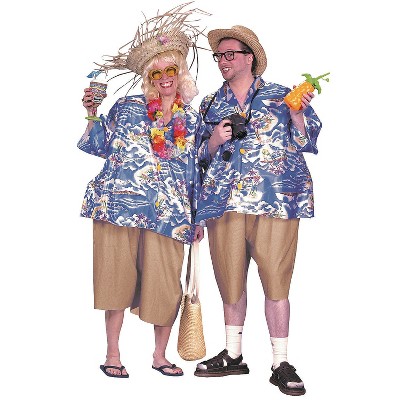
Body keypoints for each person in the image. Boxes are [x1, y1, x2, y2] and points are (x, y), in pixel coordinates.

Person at [78, 4, 207, 378]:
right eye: (157, 72)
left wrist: (199, 217)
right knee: (115, 280)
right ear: (149, 77)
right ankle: (113, 354)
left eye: (171, 71)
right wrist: (92, 113)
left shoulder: (193, 120)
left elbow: (198, 170)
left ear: (180, 74)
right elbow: (99, 146)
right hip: (118, 206)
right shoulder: (127, 107)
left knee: (166, 285)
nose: (165, 78)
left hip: (171, 214)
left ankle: (160, 356)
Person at [194, 25, 322, 396]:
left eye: (229, 54)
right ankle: (233, 355)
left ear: (249, 57)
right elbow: (195, 157)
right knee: (229, 279)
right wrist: (213, 140)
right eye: (218, 56)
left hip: (276, 200)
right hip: (224, 203)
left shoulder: (283, 96)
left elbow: (308, 140)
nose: (222, 61)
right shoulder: (210, 104)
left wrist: (297, 114)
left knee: (277, 282)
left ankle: (281, 362)